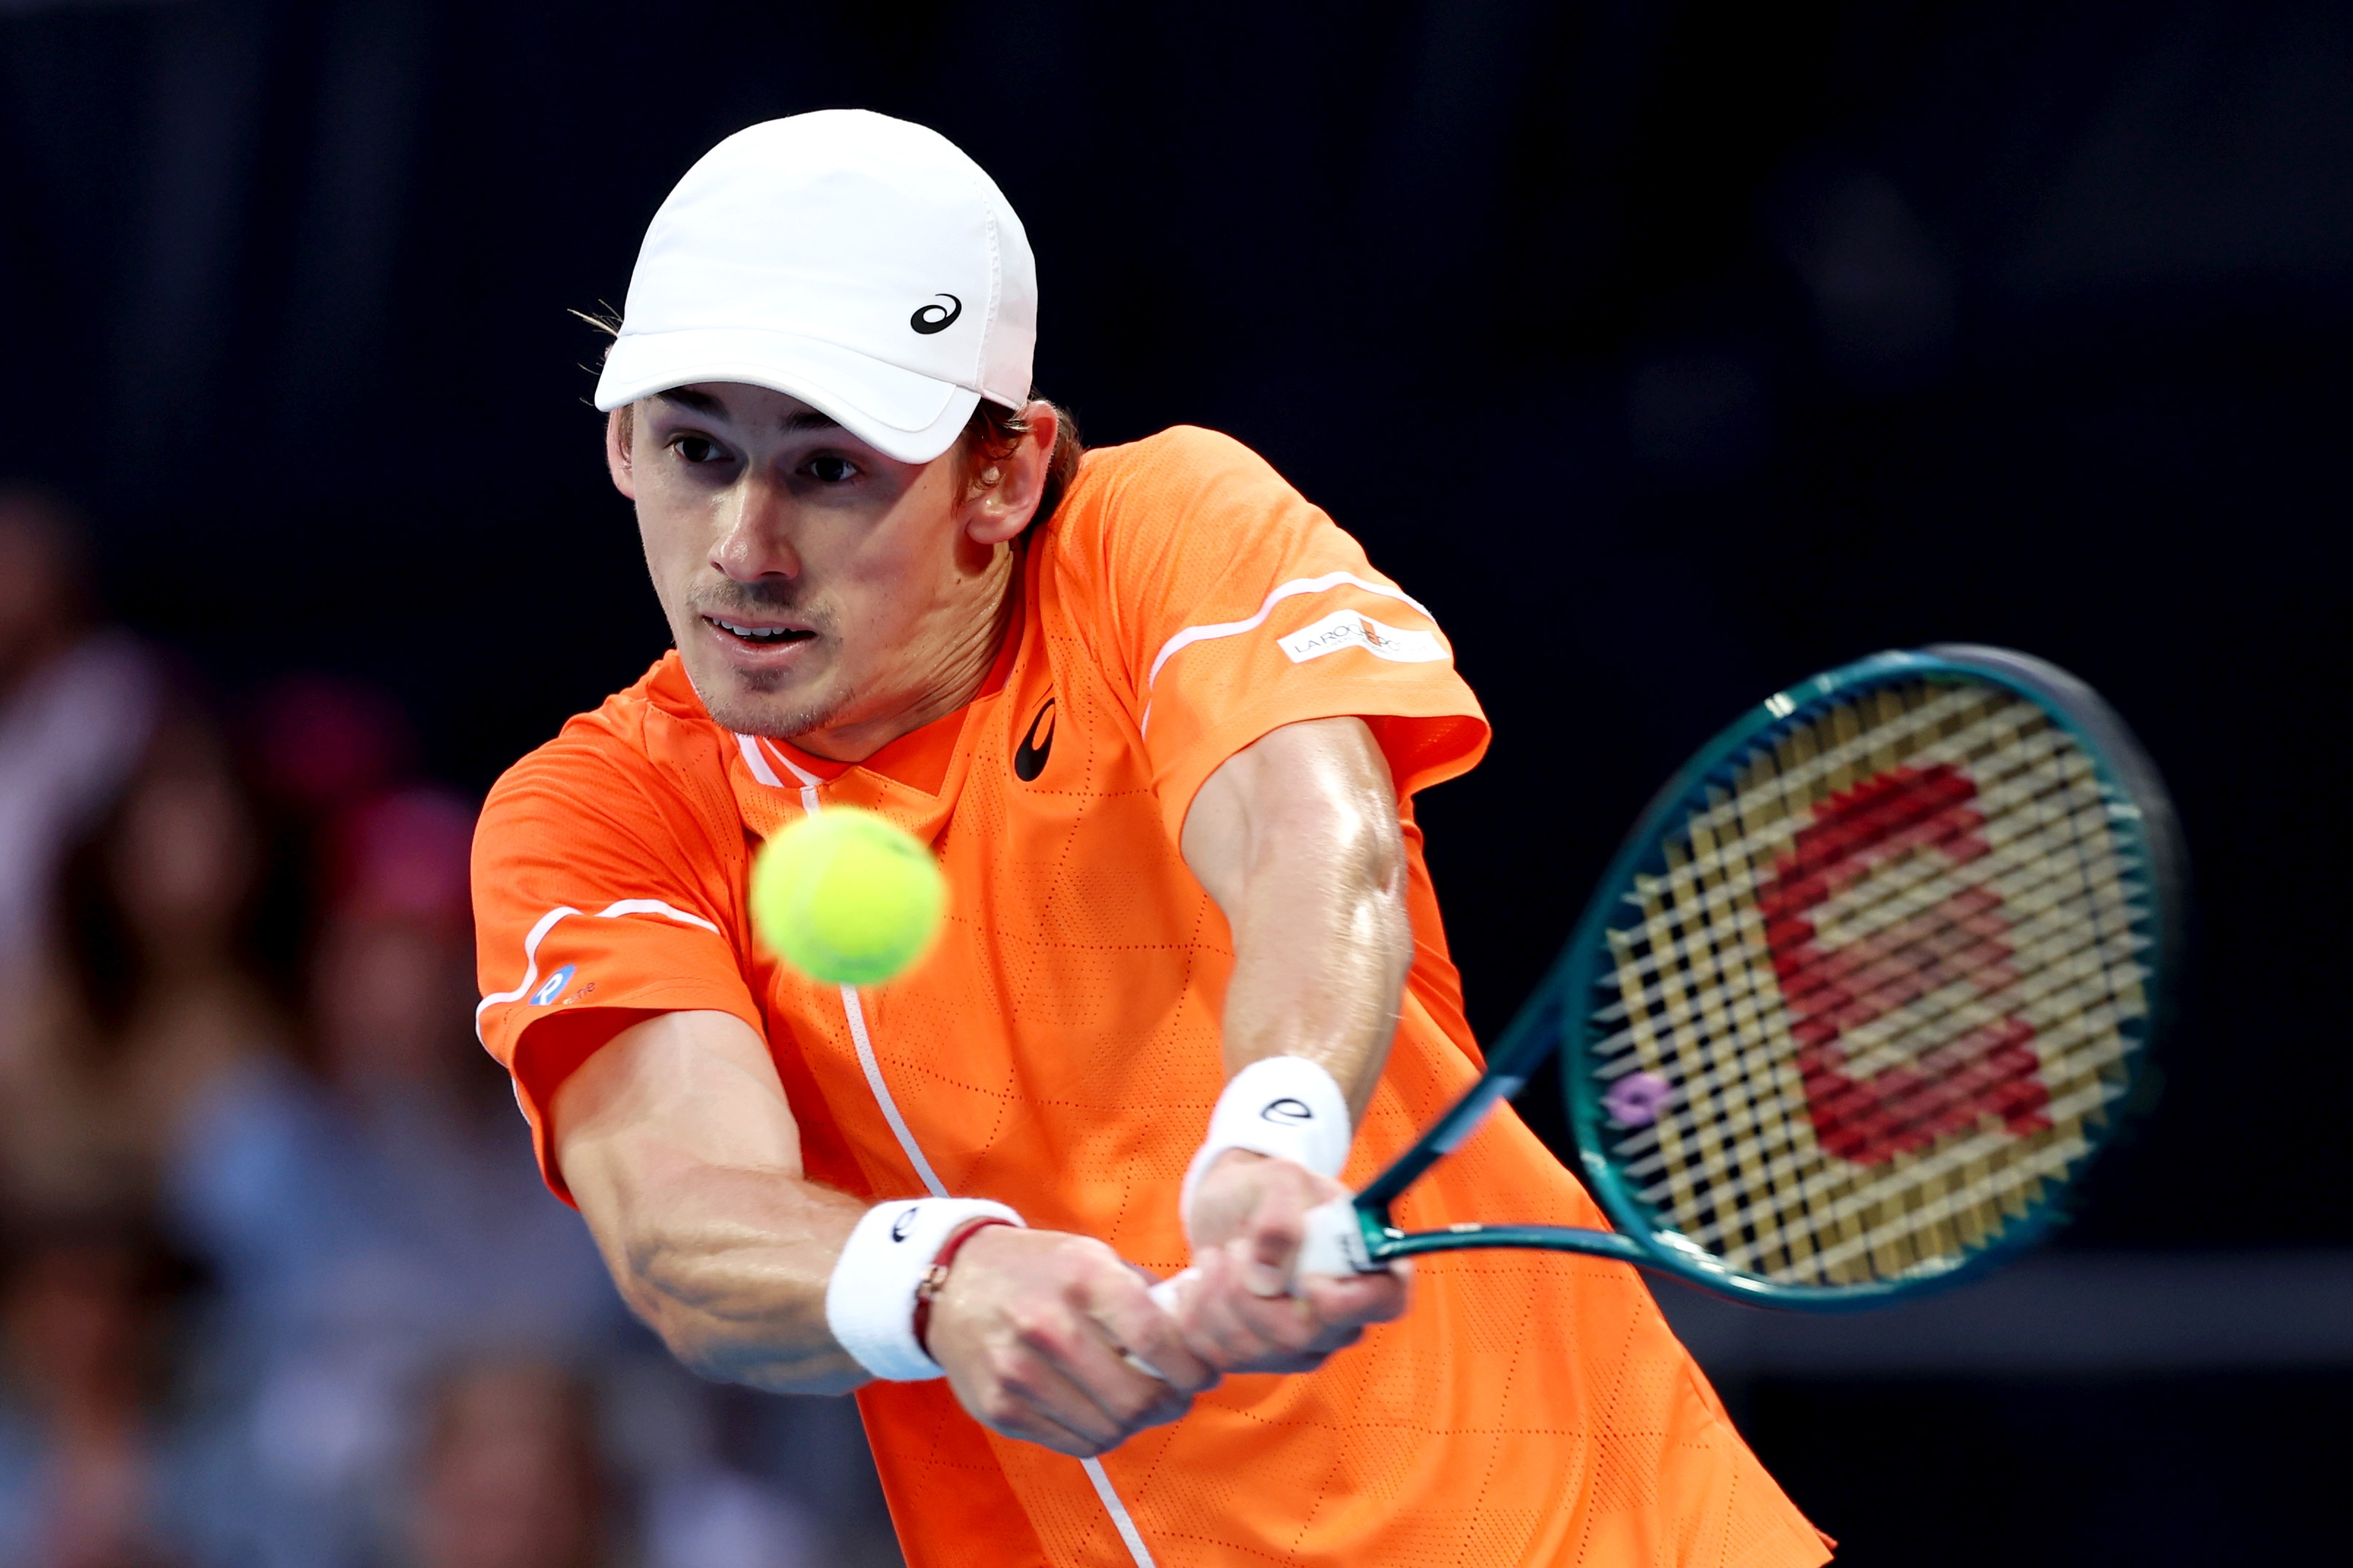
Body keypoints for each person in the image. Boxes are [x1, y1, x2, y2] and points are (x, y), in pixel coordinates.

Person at [472, 110, 1831, 1567]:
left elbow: (1311, 840)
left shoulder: (1158, 535)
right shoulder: (601, 814)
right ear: (620, 445)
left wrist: (1275, 1140)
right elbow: (683, 1224)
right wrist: (944, 1283)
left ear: (1004, 473)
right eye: (695, 449)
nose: (744, 548)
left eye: (829, 468)